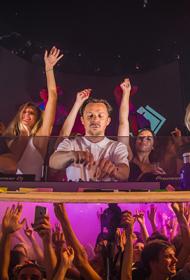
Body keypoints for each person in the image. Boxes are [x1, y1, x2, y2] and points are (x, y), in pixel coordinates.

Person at [3, 46, 63, 180]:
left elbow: (52, 97)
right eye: (24, 112)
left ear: (37, 118)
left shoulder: (39, 138)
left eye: (31, 113)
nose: (26, 115)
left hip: (32, 191)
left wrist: (49, 68)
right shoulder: (7, 140)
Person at [49, 98, 130, 181]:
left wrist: (114, 170)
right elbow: (53, 162)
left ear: (108, 121)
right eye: (90, 115)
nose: (95, 119)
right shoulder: (70, 143)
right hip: (76, 193)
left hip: (107, 193)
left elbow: (125, 173)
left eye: (100, 116)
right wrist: (72, 155)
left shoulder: (117, 146)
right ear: (82, 120)